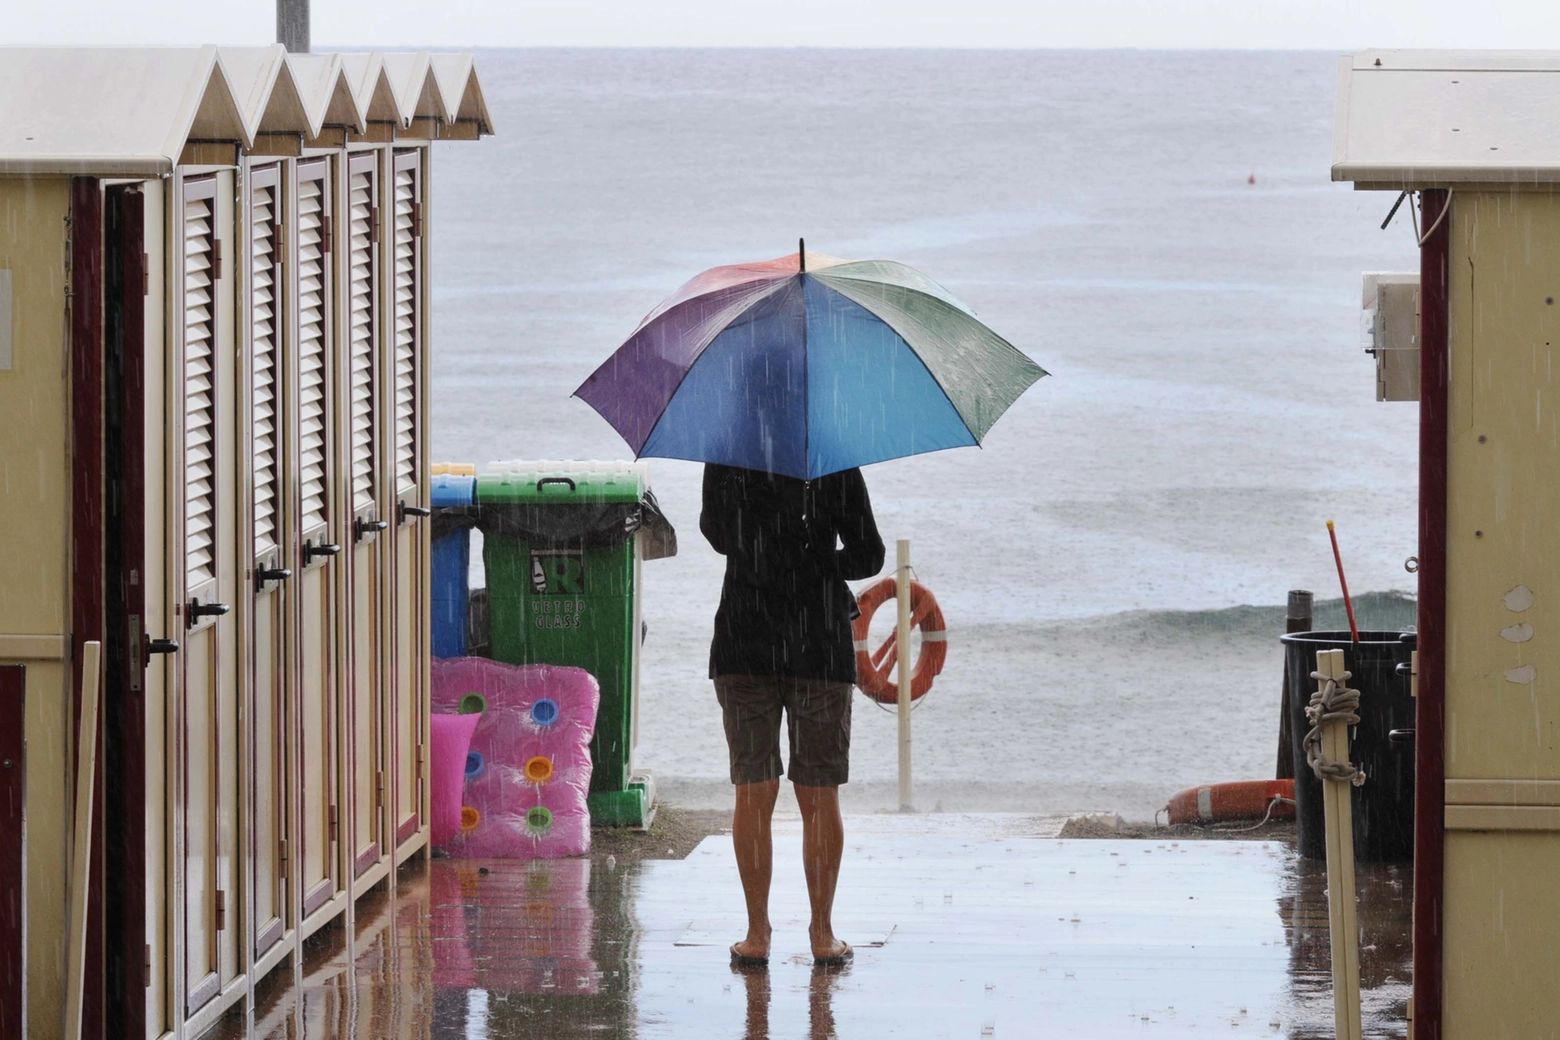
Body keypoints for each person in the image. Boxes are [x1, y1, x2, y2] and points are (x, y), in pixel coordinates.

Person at [700, 462, 885, 968]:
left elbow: (716, 533)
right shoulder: (833, 459)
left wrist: (768, 546)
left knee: (754, 789)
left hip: (744, 640)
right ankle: (822, 934)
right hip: (818, 644)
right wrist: (817, 559)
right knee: (819, 793)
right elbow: (869, 552)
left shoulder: (730, 453)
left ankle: (757, 934)